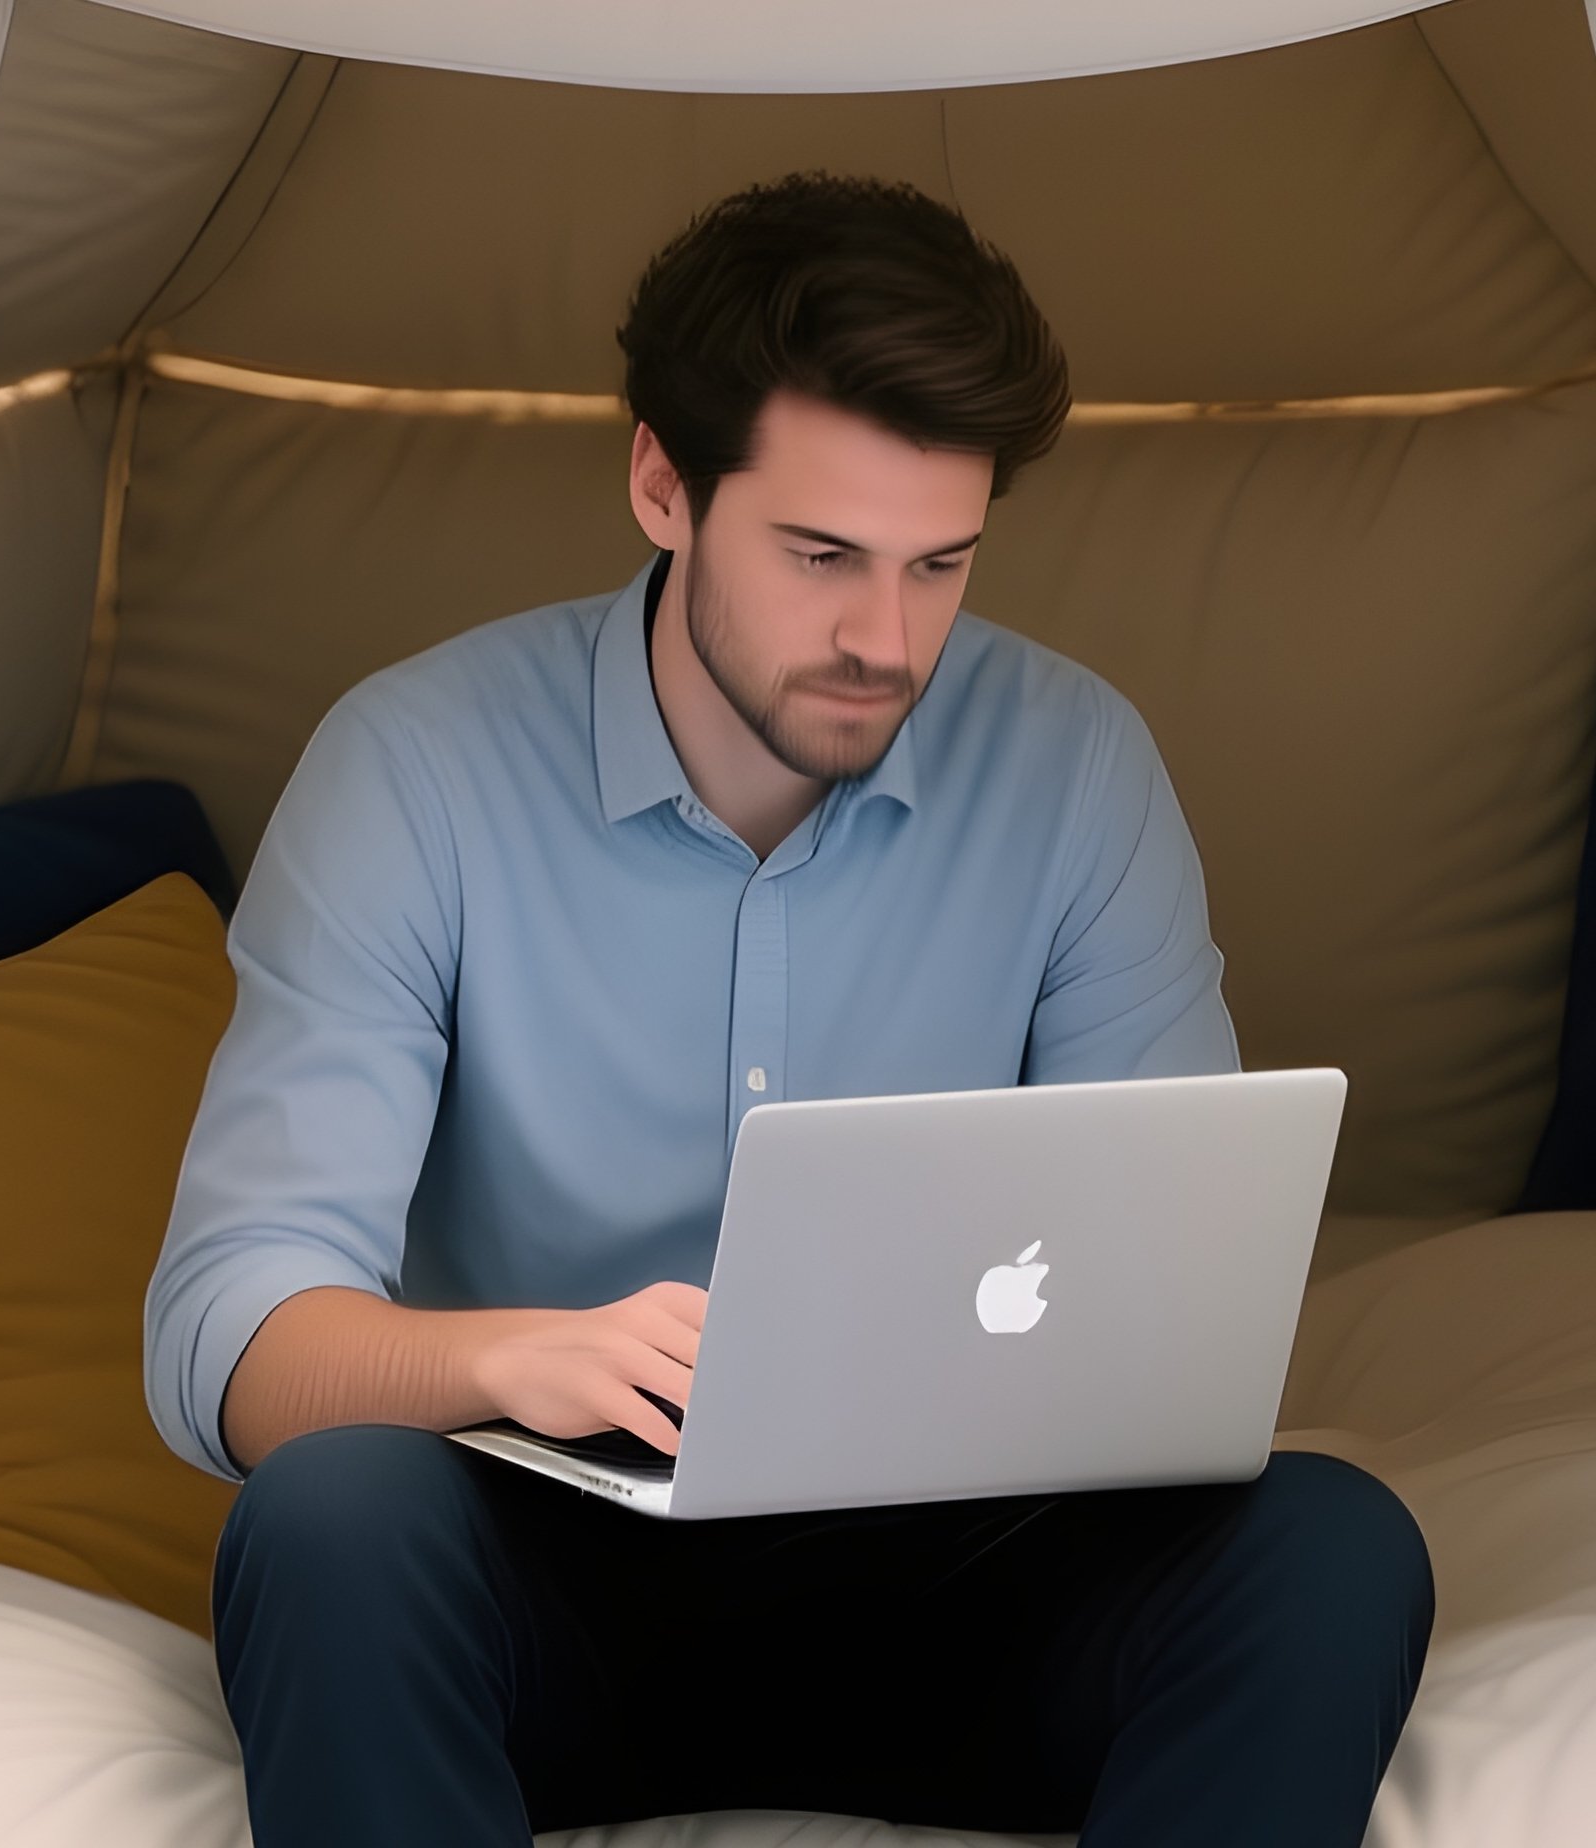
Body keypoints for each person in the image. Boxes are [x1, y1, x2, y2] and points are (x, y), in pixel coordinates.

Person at [144, 171, 1433, 1846]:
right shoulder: (415, 769)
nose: (886, 639)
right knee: (327, 1520)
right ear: (661, 484)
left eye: (941, 563)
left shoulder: (1078, 764)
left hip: (972, 1602)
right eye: (822, 554)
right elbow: (228, 1340)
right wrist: (514, 1358)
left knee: (1333, 1543)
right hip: (553, 1607)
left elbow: (1185, 1310)